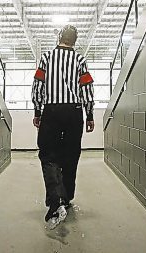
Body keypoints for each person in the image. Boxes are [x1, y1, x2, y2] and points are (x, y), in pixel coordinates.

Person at [31, 25, 95, 229]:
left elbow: (38, 86)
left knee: (48, 156)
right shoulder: (80, 60)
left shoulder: (46, 58)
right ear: (75, 41)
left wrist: (37, 111)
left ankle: (56, 201)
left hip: (51, 110)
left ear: (59, 37)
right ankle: (66, 198)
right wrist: (90, 113)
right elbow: (87, 88)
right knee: (70, 155)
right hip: (74, 112)